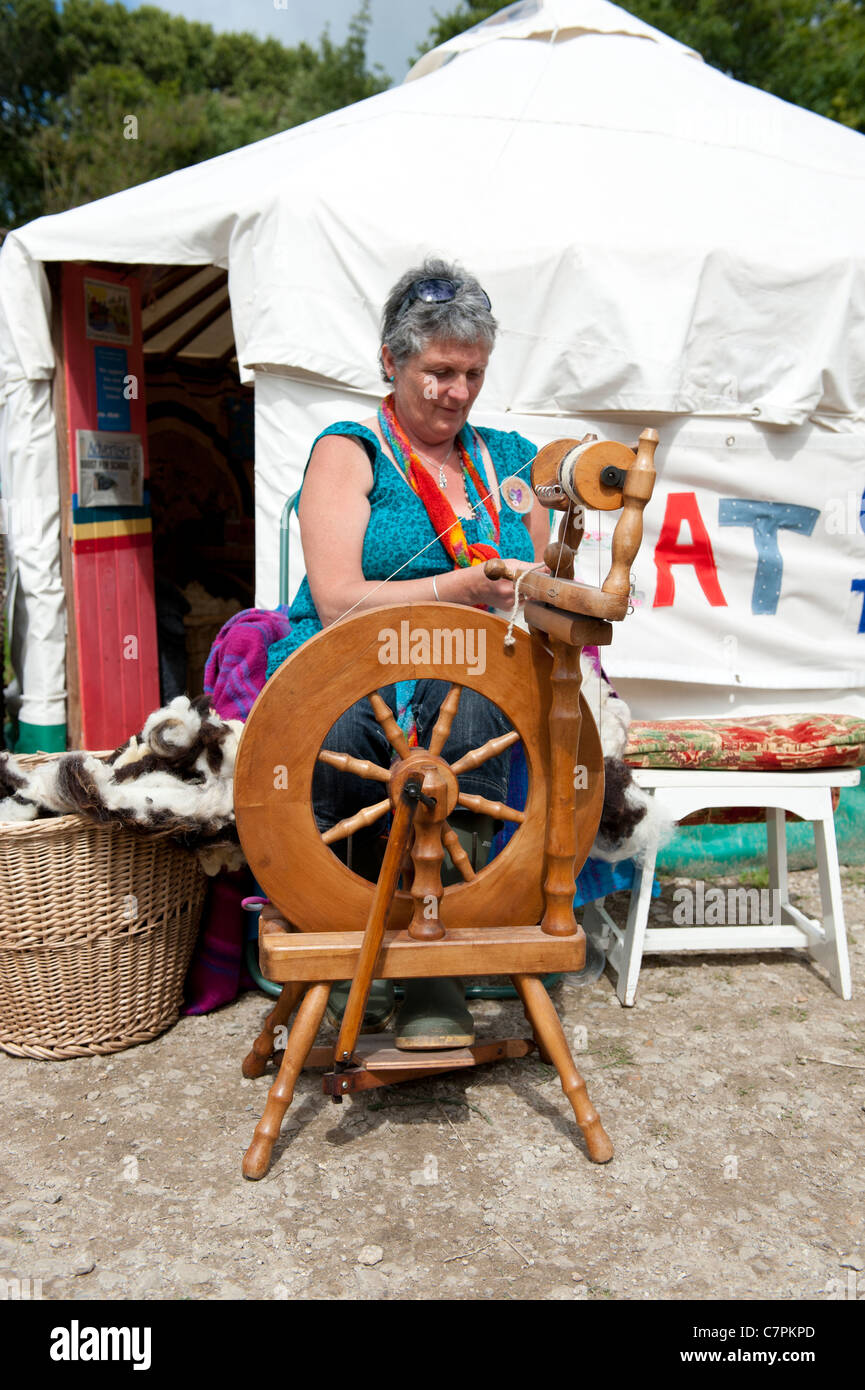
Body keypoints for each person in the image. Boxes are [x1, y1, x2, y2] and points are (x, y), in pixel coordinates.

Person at [265, 257, 548, 1048]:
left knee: (474, 717)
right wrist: (459, 587)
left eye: (472, 374)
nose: (455, 393)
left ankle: (436, 964)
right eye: (436, 372)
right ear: (390, 362)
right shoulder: (347, 450)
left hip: (467, 660)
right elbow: (335, 598)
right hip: (349, 651)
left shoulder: (512, 461)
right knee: (352, 722)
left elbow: (544, 570)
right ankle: (335, 926)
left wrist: (541, 576)